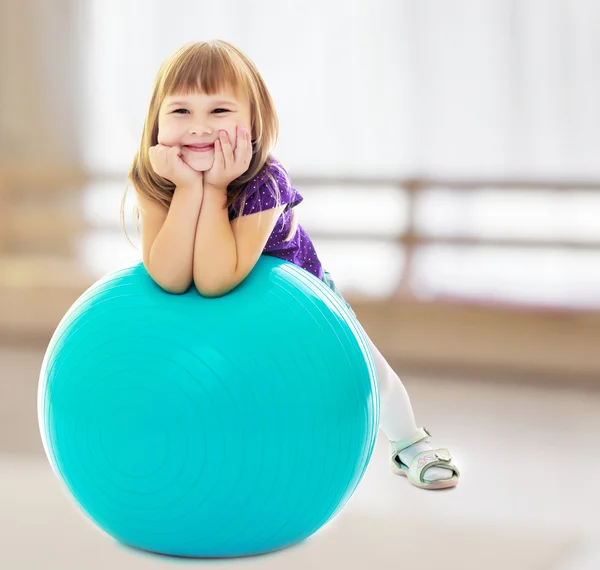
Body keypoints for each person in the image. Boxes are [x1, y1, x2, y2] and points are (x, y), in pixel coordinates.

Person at [124, 40, 460, 490]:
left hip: (302, 306)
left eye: (220, 112)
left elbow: (215, 279)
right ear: (156, 121)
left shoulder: (265, 180)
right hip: (221, 325)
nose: (199, 128)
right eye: (181, 112)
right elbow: (168, 275)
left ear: (253, 124)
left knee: (368, 372)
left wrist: (215, 189)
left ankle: (409, 441)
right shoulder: (155, 174)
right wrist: (186, 189)